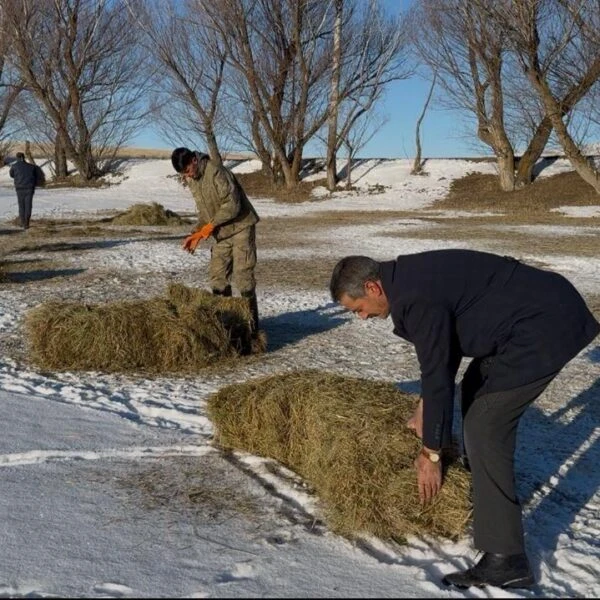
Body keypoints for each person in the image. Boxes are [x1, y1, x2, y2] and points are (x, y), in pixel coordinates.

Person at [329, 249, 599, 590]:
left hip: (545, 324)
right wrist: (427, 405)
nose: (362, 318)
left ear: (372, 287)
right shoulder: (409, 280)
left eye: (358, 309)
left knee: (486, 424)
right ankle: (485, 489)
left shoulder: (415, 297)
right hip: (533, 315)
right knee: (475, 385)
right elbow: (442, 351)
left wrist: (431, 453)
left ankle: (507, 559)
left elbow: (439, 370)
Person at [171, 147, 260, 337]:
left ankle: (252, 331)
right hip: (222, 232)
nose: (188, 176)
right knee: (217, 277)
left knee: (243, 278)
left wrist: (210, 226)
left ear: (194, 160)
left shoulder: (216, 171)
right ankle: (228, 324)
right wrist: (196, 234)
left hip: (241, 226)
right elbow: (205, 211)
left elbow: (232, 205)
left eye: (187, 170)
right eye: (183, 174)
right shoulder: (193, 180)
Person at [9, 152, 40, 230]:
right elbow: (35, 176)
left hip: (19, 188)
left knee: (21, 206)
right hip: (29, 188)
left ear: (17, 158)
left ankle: (23, 223)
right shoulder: (31, 167)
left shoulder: (14, 166)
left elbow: (12, 175)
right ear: (24, 157)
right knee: (28, 205)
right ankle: (27, 223)